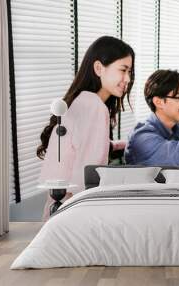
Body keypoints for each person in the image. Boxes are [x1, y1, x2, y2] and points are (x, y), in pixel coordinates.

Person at [37, 36, 135, 218]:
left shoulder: (81, 101)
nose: (128, 78)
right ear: (99, 68)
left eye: (130, 71)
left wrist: (117, 145)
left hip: (59, 208)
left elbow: (78, 150)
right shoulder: (95, 108)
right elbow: (88, 173)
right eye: (123, 70)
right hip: (75, 211)